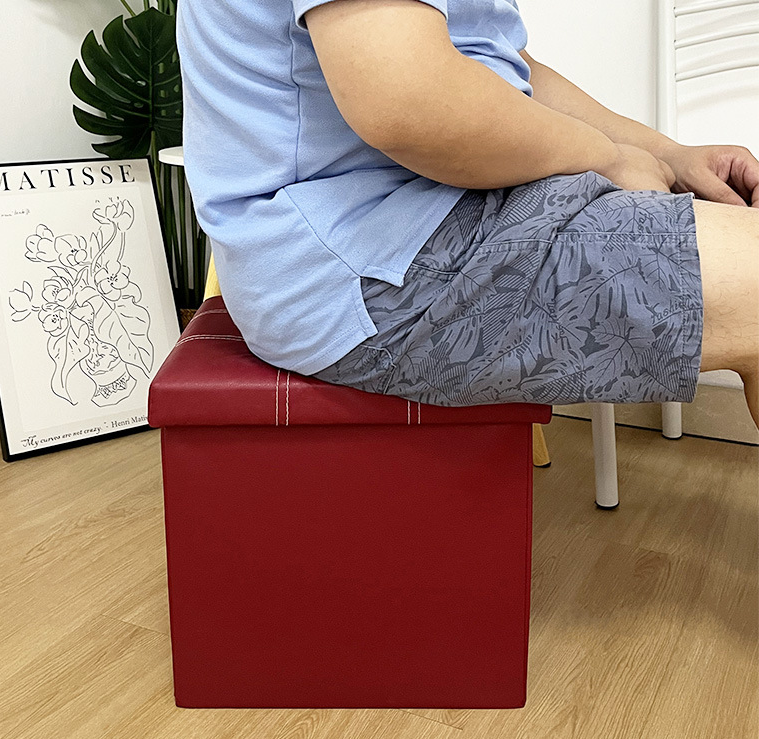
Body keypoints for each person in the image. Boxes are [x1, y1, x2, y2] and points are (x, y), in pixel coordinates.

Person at [176, 0, 759, 429]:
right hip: (361, 260)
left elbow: (500, 64)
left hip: (416, 214)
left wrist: (666, 154)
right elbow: (409, 103)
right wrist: (609, 158)